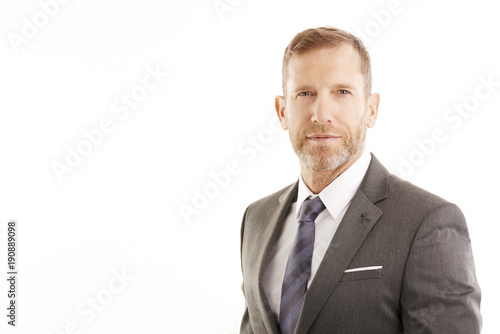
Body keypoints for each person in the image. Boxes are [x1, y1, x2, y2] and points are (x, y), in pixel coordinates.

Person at [239, 26, 481, 334]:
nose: (321, 113)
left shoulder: (426, 221)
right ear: (282, 111)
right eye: (305, 93)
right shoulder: (256, 219)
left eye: (341, 92)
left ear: (371, 109)